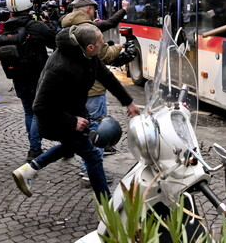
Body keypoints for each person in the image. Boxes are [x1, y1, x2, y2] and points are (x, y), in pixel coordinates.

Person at [11, 23, 139, 200]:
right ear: (90, 47)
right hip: (58, 120)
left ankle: (29, 169)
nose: (104, 45)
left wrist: (128, 102)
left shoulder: (87, 54)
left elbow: (106, 77)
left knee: (74, 146)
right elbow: (40, 106)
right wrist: (73, 121)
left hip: (74, 114)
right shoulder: (59, 67)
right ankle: (107, 207)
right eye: (101, 43)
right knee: (93, 156)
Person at [61, 0, 130, 164]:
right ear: (89, 9)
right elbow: (105, 56)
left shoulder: (66, 25)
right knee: (97, 129)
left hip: (71, 88)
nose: (95, 13)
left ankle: (80, 161)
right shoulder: (90, 29)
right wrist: (120, 48)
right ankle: (91, 168)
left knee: (81, 128)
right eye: (94, 10)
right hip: (92, 88)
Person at [0, 0, 56, 161]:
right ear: (29, 4)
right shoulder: (35, 26)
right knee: (38, 112)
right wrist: (48, 23)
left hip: (17, 77)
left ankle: (34, 146)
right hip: (38, 78)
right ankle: (35, 149)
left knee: (28, 112)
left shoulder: (7, 27)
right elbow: (55, 40)